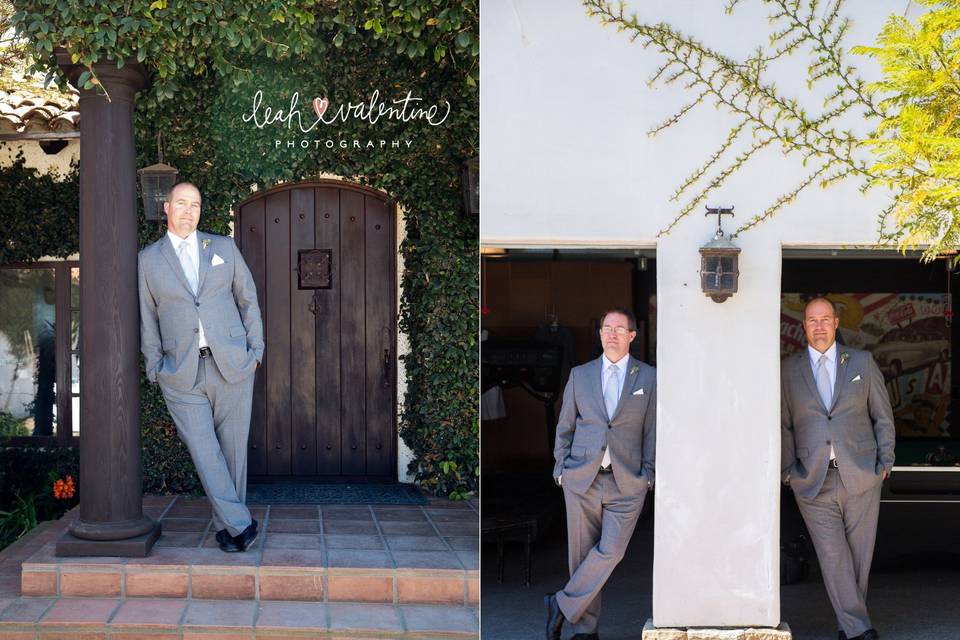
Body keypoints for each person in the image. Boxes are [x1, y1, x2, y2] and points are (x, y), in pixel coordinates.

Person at [138, 182, 264, 553]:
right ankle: (241, 523)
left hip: (233, 364)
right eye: (181, 203)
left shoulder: (222, 247)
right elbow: (147, 318)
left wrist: (255, 349)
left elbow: (248, 299)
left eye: (195, 204)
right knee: (204, 451)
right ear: (166, 208)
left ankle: (229, 531)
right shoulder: (148, 260)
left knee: (233, 452)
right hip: (181, 372)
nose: (189, 211)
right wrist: (155, 367)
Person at [781, 297, 895, 640]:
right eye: (812, 320)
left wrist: (885, 463)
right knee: (833, 557)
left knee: (859, 556)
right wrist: (789, 471)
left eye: (825, 319)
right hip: (812, 480)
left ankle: (852, 627)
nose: (818, 326)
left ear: (835, 322)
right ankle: (860, 630)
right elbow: (782, 425)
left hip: (862, 474)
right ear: (804, 326)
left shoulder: (862, 361)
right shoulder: (789, 369)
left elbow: (882, 416)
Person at [545, 308, 656, 640]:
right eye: (606, 328)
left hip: (628, 481)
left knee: (612, 551)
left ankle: (560, 604)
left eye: (619, 329)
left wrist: (648, 474)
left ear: (632, 336)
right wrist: (561, 469)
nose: (611, 334)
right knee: (580, 557)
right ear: (600, 334)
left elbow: (652, 431)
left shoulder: (648, 377)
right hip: (582, 479)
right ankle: (585, 630)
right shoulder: (581, 375)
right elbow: (564, 426)